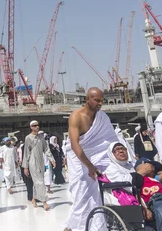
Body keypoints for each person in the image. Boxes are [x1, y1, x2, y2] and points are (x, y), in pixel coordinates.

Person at [63, 87, 119, 231]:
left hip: (99, 157)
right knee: (81, 196)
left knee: (98, 195)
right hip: (79, 159)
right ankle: (72, 227)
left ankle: (96, 226)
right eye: (96, 100)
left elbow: (109, 141)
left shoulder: (102, 117)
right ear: (87, 99)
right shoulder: (76, 116)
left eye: (102, 101)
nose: (100, 103)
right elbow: (75, 145)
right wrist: (90, 166)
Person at [23, 122, 55, 210]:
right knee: (39, 182)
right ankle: (44, 202)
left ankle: (33, 198)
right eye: (34, 126)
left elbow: (46, 149)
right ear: (31, 127)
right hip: (32, 162)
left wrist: (52, 159)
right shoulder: (28, 138)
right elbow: (26, 152)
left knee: (39, 181)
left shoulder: (41, 137)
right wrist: (25, 166)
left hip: (41, 161)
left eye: (37, 125)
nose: (37, 127)